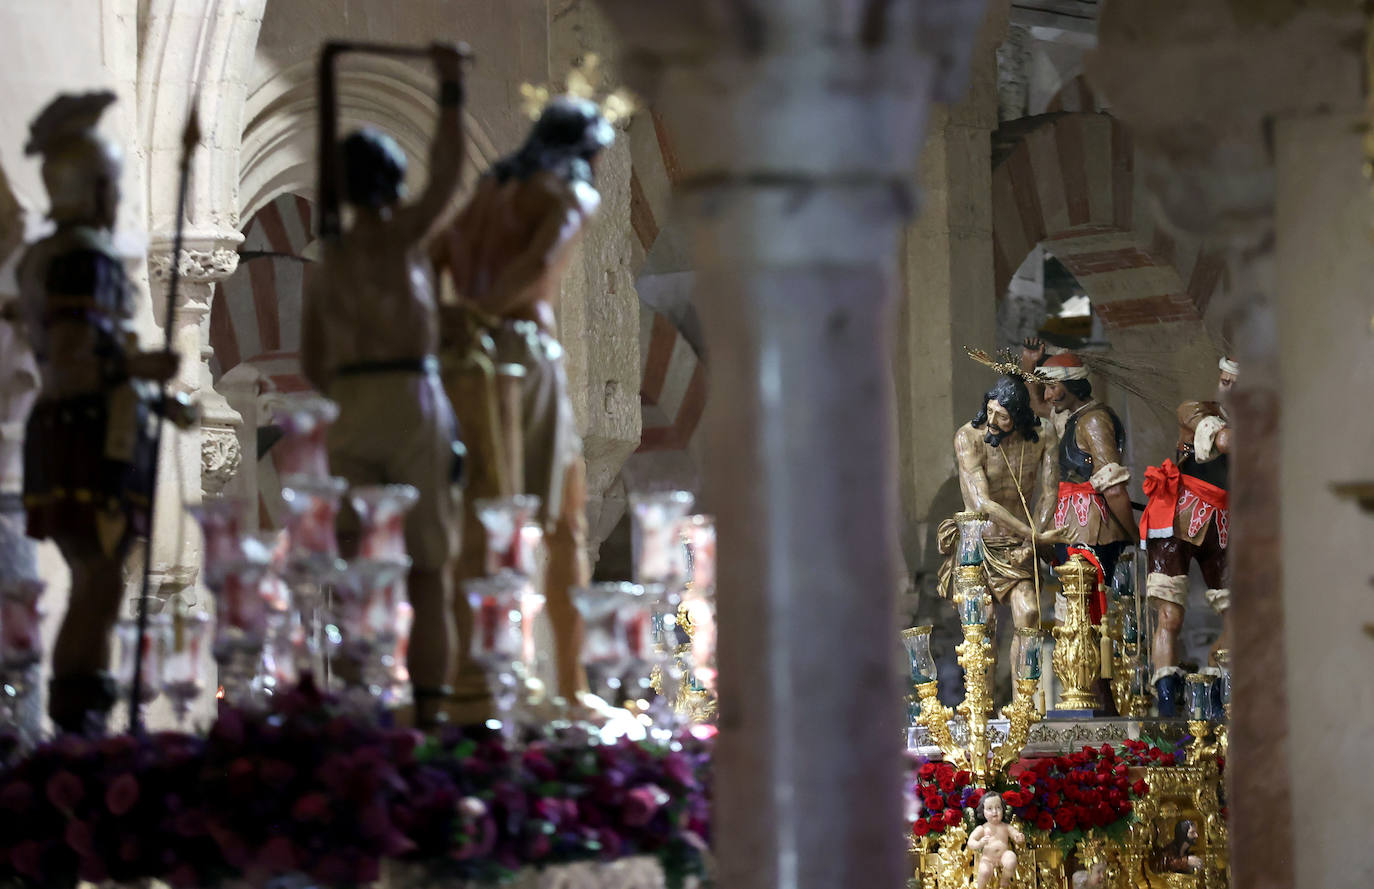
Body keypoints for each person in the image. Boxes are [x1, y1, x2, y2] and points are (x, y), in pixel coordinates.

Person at [301, 43, 468, 727]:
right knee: (428, 568)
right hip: (408, 399)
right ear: (391, 182)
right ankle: (429, 711)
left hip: (351, 404)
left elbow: (314, 359)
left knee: (350, 560)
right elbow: (449, 174)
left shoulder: (330, 260)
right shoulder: (401, 236)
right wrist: (451, 88)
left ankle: (354, 704)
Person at [431, 95, 615, 699]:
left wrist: (453, 318)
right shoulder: (571, 193)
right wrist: (486, 313)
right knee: (561, 521)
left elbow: (434, 253)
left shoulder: (489, 191)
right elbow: (540, 263)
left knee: (479, 515)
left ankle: (477, 680)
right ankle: (565, 688)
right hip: (524, 353)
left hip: (463, 357)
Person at [15, 92, 184, 733]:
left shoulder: (55, 255)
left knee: (99, 582)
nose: (116, 203)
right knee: (100, 582)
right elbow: (72, 359)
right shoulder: (82, 258)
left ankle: (80, 720)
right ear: (89, 189)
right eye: (110, 187)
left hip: (82, 429)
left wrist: (155, 394)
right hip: (84, 433)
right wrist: (139, 370)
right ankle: (81, 724)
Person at [941, 375, 1068, 689]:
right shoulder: (968, 437)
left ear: (1019, 417)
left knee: (1029, 614)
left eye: (1002, 416)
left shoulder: (1044, 434)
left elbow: (1050, 492)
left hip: (1019, 543)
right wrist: (1036, 537)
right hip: (979, 545)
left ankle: (1024, 704)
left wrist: (1029, 541)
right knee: (981, 625)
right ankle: (981, 711)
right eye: (990, 410)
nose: (992, 421)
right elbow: (982, 502)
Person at [1140, 357, 1235, 715]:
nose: (1230, 389)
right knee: (1170, 615)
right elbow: (1223, 440)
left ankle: (1212, 688)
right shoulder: (1196, 411)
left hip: (1223, 520)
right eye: (1225, 381)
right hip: (1179, 514)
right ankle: (1166, 696)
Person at [967, 792, 1024, 889]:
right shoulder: (982, 828)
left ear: (1003, 809)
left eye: (998, 808)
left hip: (1003, 855)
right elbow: (970, 842)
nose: (994, 812)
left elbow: (1015, 834)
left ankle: (1004, 880)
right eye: (989, 809)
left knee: (1011, 859)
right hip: (988, 859)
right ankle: (980, 887)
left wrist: (1018, 837)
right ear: (983, 811)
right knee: (984, 871)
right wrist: (980, 843)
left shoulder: (1005, 827)